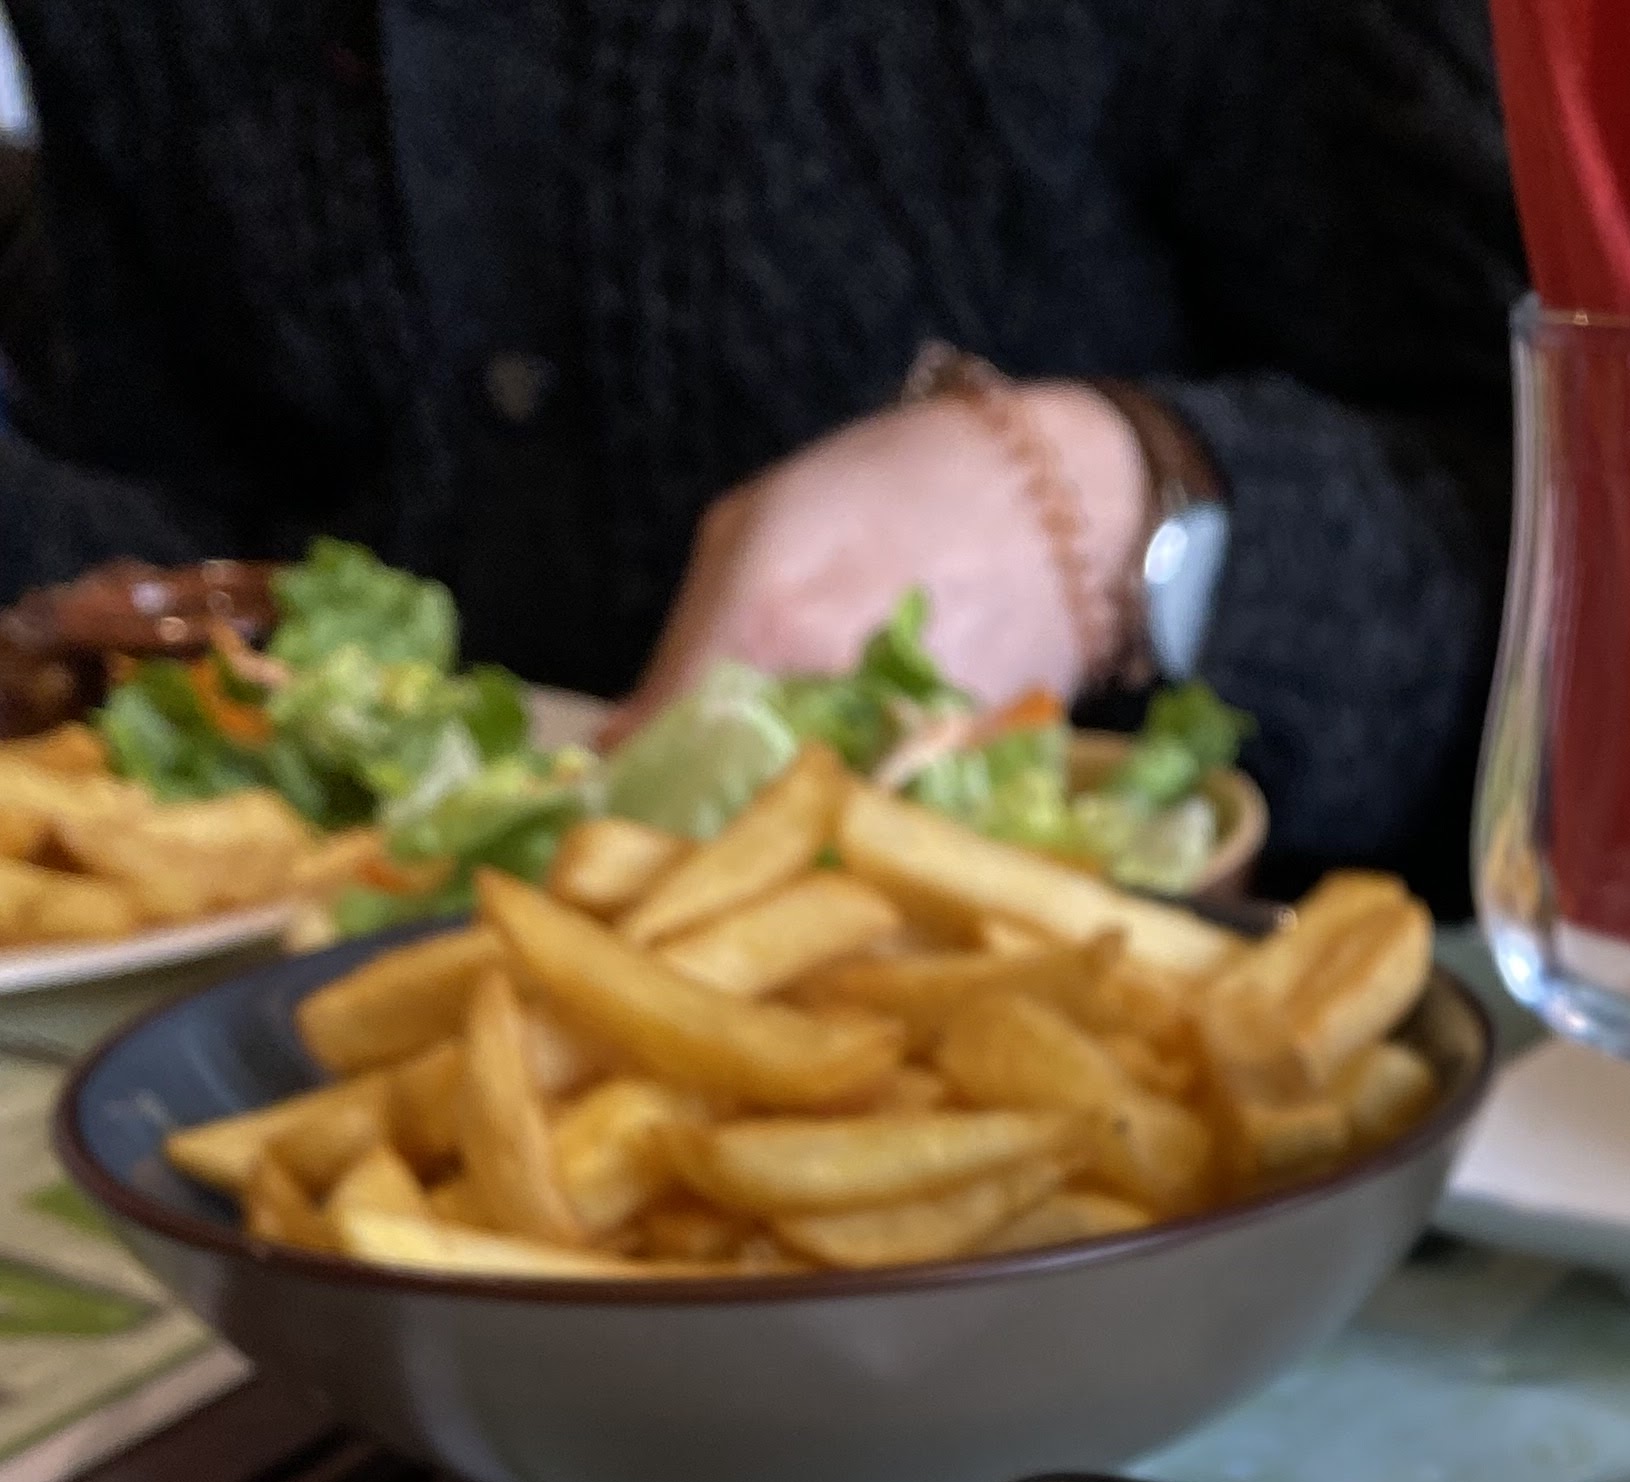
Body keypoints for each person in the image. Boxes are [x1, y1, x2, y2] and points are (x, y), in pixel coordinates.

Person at [0, 0, 1526, 890]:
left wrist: (1134, 506)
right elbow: (165, 476)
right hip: (287, 1127)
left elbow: (1581, 536)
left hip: (1223, 1169)